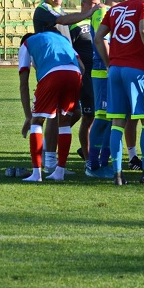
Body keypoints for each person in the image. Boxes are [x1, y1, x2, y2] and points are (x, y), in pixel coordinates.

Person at [94, 0, 144, 185]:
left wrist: (109, 63)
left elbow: (99, 38)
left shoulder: (115, 10)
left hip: (115, 70)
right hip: (136, 71)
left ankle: (117, 174)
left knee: (117, 122)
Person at [33, 0, 99, 173]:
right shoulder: (44, 10)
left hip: (66, 66)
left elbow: (67, 36)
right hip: (53, 67)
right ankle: (50, 162)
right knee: (55, 115)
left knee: (73, 113)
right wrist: (90, 13)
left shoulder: (58, 9)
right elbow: (63, 20)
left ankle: (49, 154)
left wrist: (77, 59)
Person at [18, 31, 83, 182]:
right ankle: (59, 172)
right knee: (65, 122)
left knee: (37, 121)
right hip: (75, 74)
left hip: (52, 74)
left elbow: (23, 84)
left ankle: (36, 174)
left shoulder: (26, 45)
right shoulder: (61, 39)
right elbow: (82, 67)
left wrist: (28, 116)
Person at [86, 0, 129, 179]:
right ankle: (93, 165)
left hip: (111, 70)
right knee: (102, 119)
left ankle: (104, 163)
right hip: (103, 71)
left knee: (112, 119)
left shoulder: (114, 12)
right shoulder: (102, 12)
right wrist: (110, 64)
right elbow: (101, 40)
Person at [71, 0, 100, 164]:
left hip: (101, 75)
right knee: (87, 116)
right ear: (84, 5)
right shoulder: (76, 24)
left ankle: (87, 149)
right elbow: (69, 48)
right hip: (86, 76)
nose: (98, 6)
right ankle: (88, 157)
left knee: (99, 116)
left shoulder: (101, 21)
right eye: (94, 3)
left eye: (99, 3)